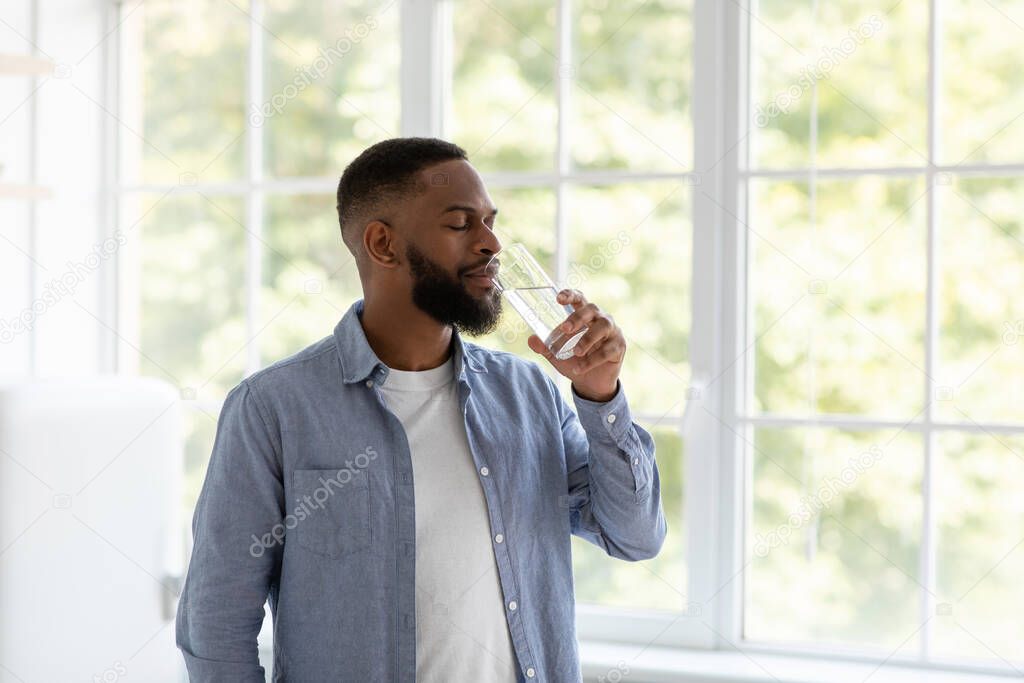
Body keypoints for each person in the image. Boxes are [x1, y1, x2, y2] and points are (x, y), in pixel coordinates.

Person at [175, 137, 667, 682]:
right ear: (383, 244)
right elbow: (216, 618)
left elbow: (635, 537)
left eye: (490, 221)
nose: (490, 243)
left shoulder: (531, 395)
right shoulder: (273, 409)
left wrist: (601, 397)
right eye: (460, 224)